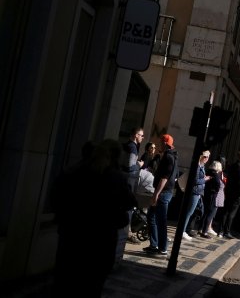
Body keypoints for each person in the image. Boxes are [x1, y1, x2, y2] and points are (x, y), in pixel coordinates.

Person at [53, 139, 136, 297]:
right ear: (115, 157)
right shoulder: (115, 177)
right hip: (101, 239)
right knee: (92, 285)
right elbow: (130, 202)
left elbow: (56, 197)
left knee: (64, 283)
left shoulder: (74, 171)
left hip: (71, 235)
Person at [144, 134, 178, 256]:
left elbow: (165, 178)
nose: (159, 145)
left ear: (165, 143)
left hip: (163, 193)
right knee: (151, 217)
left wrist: (156, 195)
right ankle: (155, 244)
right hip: (164, 192)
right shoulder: (172, 155)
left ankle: (162, 247)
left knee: (160, 221)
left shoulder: (169, 157)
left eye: (160, 143)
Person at [181, 150, 211, 240]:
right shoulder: (198, 167)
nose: (207, 159)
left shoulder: (202, 166)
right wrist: (205, 179)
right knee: (189, 212)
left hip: (198, 192)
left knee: (191, 212)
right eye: (205, 157)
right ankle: (182, 231)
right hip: (194, 192)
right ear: (201, 157)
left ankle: (185, 230)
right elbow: (195, 180)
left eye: (208, 157)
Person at [219, 151, 240, 238]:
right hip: (236, 193)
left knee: (226, 211)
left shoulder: (233, 165)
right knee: (232, 213)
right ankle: (226, 231)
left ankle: (221, 230)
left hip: (229, 191)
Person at [122, 127, 144, 244]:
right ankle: (127, 232)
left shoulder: (126, 145)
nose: (142, 137)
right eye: (141, 135)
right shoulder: (132, 147)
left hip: (125, 180)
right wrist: (139, 164)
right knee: (128, 206)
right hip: (128, 181)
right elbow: (129, 166)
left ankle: (126, 231)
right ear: (136, 135)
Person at [200, 161, 224, 238]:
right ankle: (205, 232)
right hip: (213, 197)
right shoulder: (216, 175)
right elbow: (217, 185)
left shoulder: (209, 172)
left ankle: (200, 229)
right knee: (210, 214)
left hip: (207, 195)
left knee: (205, 213)